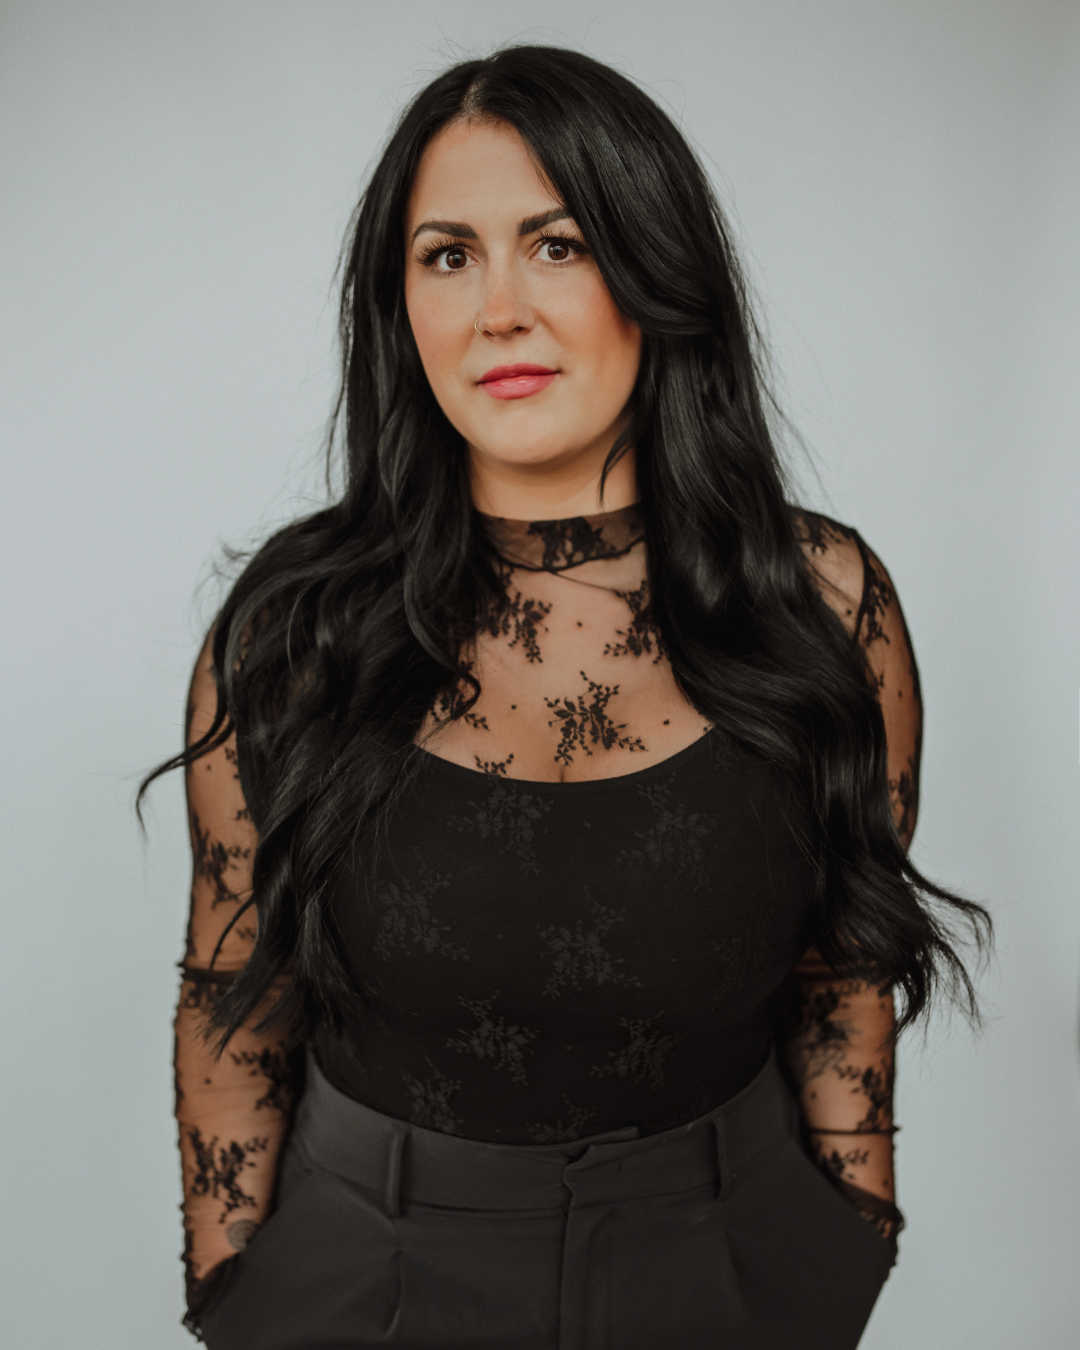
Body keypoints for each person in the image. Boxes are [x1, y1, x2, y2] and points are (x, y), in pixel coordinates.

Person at [147, 45, 989, 1349]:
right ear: (397, 305)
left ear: (656, 273)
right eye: (447, 255)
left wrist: (846, 1240)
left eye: (556, 245)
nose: (499, 310)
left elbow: (844, 964)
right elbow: (231, 998)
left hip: (727, 1264)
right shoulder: (292, 637)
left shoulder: (823, 606)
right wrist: (240, 1286)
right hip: (367, 1273)